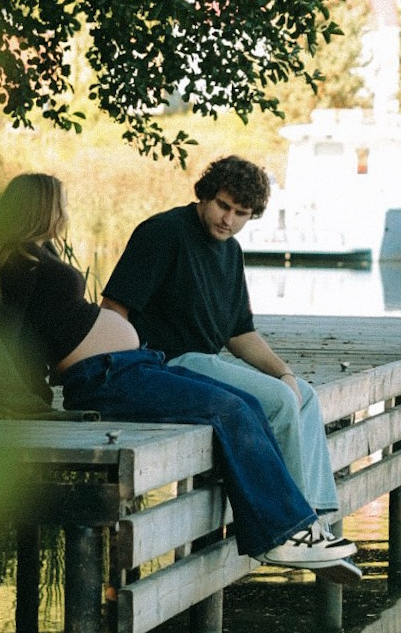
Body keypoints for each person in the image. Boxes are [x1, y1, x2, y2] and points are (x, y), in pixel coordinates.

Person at [0, 172, 358, 575]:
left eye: (240, 213)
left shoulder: (39, 254)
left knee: (243, 404)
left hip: (129, 366)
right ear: (37, 208)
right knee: (229, 409)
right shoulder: (20, 265)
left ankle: (301, 527)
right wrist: (8, 400)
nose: (63, 212)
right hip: (103, 378)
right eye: (57, 204)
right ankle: (282, 536)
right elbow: (6, 337)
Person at [101, 156, 341, 521]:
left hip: (204, 363)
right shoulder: (163, 232)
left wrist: (284, 373)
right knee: (278, 402)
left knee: (301, 394)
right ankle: (293, 520)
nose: (228, 220)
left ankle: (320, 514)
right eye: (223, 206)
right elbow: (113, 310)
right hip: (164, 364)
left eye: (241, 213)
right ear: (205, 195)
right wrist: (122, 374)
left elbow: (239, 333)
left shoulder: (231, 251)